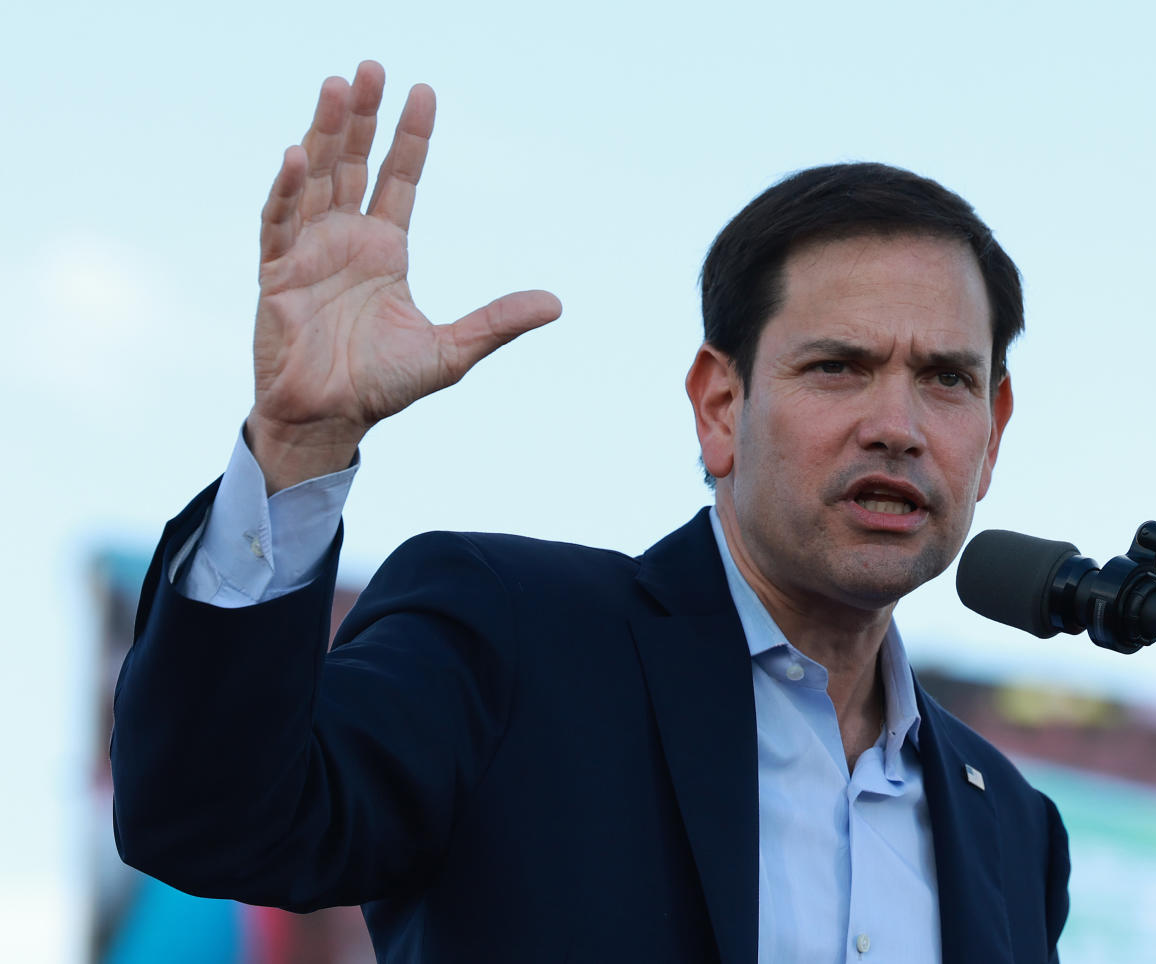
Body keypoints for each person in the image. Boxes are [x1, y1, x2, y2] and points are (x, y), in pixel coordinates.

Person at [112, 61, 1069, 963]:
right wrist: (300, 449)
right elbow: (212, 819)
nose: (896, 426)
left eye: (946, 379)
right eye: (838, 367)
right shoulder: (511, 635)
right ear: (721, 408)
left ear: (993, 429)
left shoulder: (1014, 828)